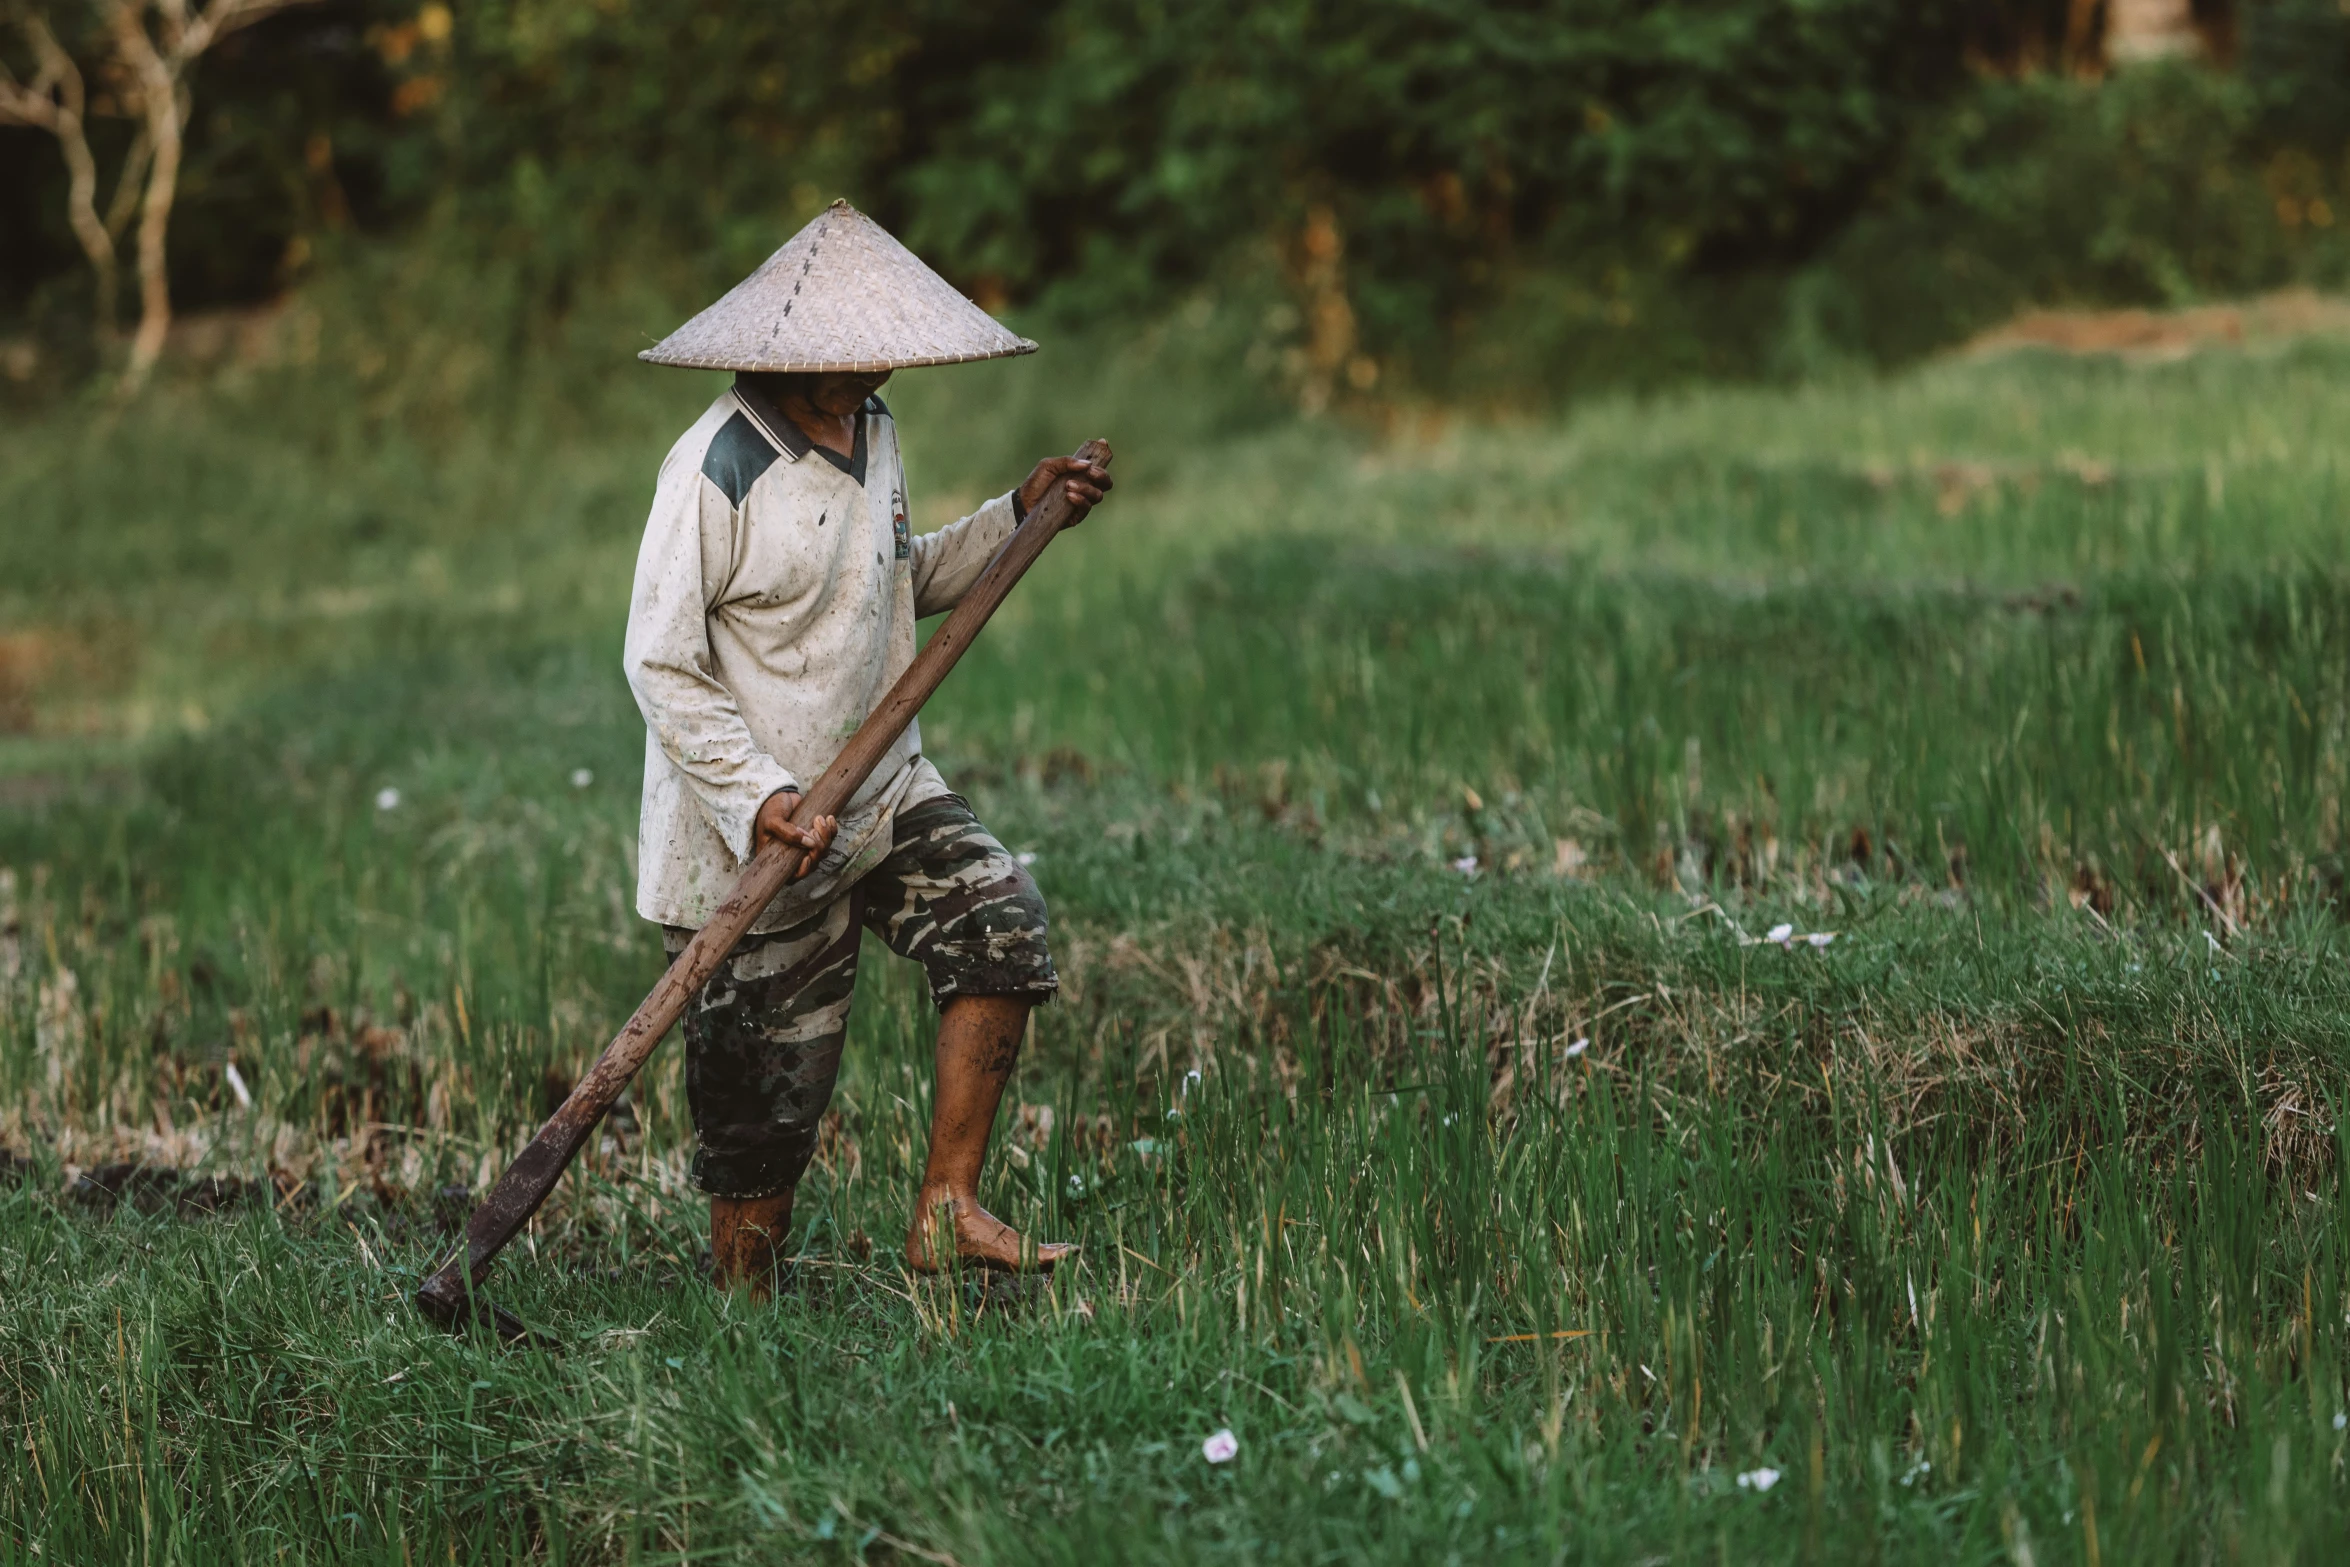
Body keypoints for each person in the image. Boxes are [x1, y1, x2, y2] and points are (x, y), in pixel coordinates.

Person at [625, 201, 1111, 1299]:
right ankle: (743, 1332)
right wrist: (760, 797)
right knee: (761, 1135)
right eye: (847, 352)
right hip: (746, 845)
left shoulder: (876, 427)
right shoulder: (715, 464)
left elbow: (894, 582)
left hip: (879, 791)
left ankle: (947, 1209)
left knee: (999, 923)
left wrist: (1019, 516)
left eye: (884, 347)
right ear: (786, 351)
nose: (872, 366)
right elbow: (658, 662)